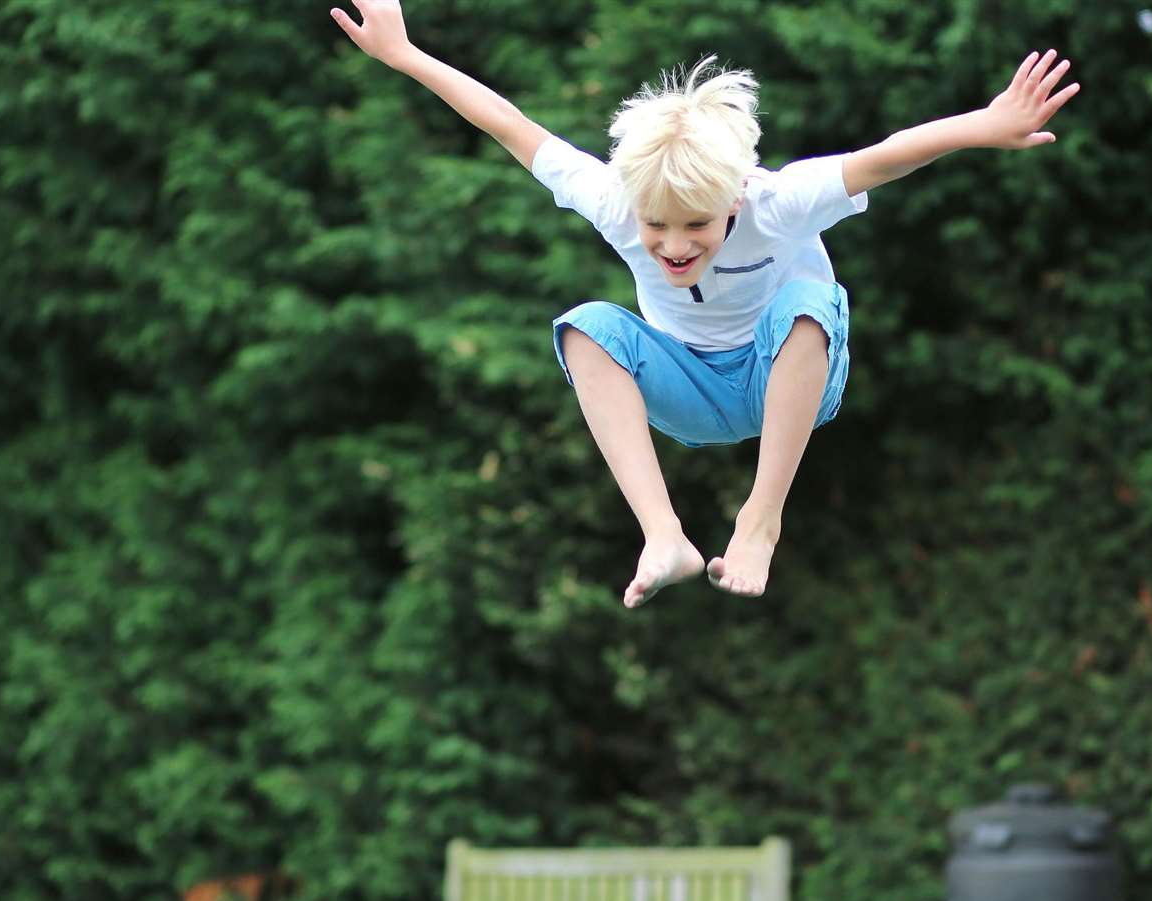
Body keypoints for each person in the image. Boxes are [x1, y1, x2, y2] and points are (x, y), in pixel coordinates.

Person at [332, 2, 1078, 607]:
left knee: (809, 301)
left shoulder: (779, 200)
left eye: (696, 226)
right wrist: (403, 54)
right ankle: (663, 534)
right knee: (586, 328)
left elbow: (885, 155)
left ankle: (762, 516)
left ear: (734, 198)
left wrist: (986, 126)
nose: (674, 246)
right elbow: (510, 125)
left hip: (785, 379)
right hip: (687, 391)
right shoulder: (617, 204)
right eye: (658, 227)